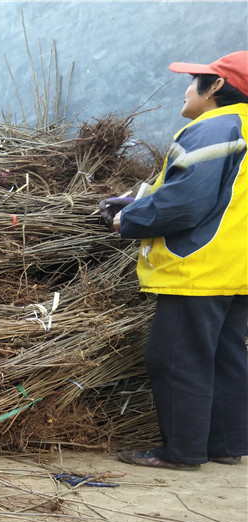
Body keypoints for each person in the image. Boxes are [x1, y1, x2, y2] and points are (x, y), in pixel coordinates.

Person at [100, 51, 248, 470]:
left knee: (177, 357)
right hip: (238, 268)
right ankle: (225, 445)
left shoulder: (216, 127)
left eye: (192, 80)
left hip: (199, 265)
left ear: (216, 85)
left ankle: (181, 452)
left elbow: (187, 202)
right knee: (224, 355)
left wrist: (127, 218)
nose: (186, 89)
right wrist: (142, 199)